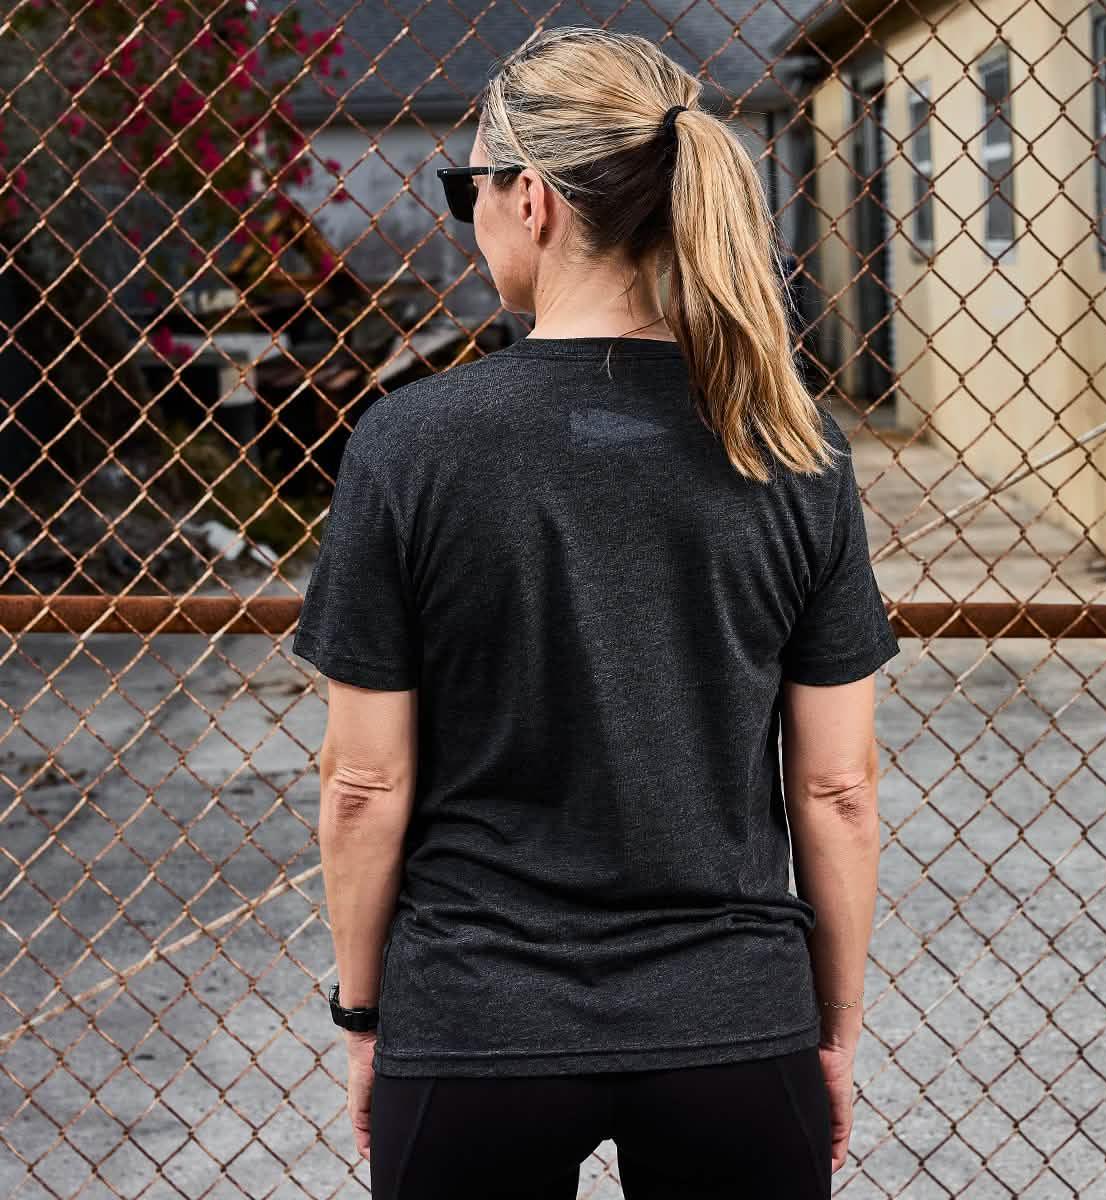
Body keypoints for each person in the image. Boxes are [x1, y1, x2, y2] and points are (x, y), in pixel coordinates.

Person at [290, 25, 900, 1200]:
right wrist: (829, 1031)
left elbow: (362, 786)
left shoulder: (410, 447)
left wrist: (367, 1016)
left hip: (474, 1027)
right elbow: (838, 789)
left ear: (532, 201)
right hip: (732, 1025)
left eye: (467, 187)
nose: (469, 214)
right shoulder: (791, 447)